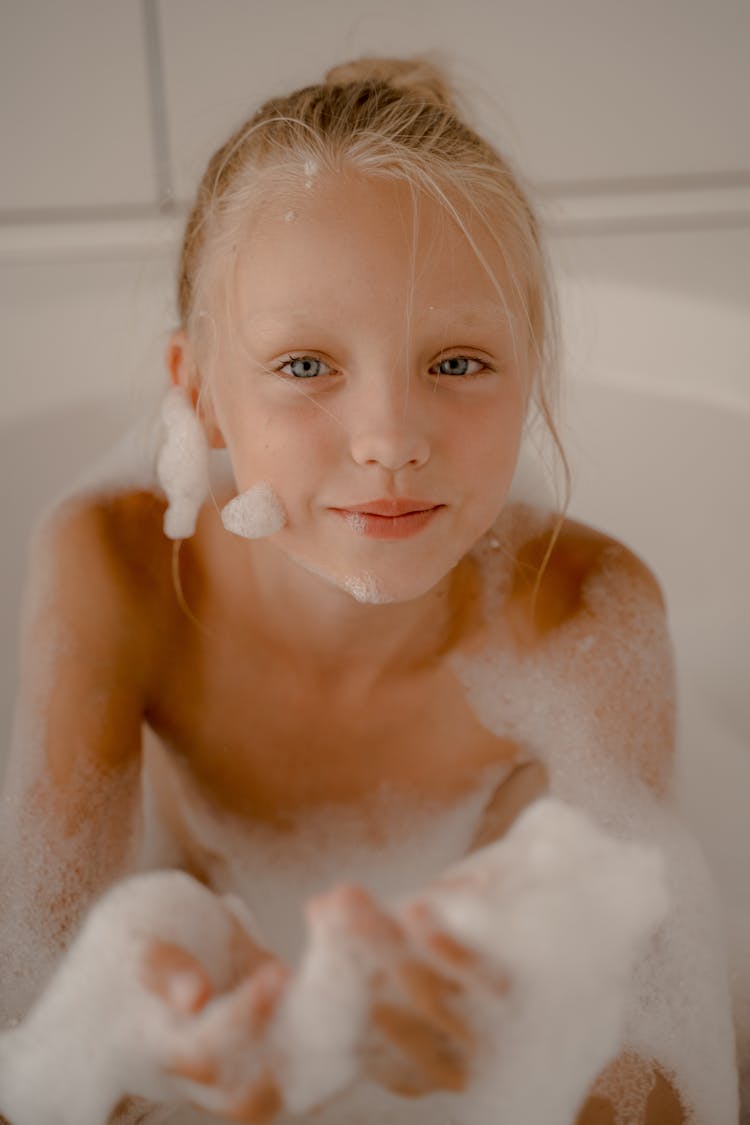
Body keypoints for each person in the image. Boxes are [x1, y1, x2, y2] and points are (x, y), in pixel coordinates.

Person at [0, 54, 738, 1125]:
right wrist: (154, 1064)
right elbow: (40, 991)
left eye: (458, 363)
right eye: (306, 365)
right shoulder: (116, 573)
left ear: (532, 371)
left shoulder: (583, 613)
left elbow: (653, 1050)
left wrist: (524, 1053)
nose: (391, 439)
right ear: (200, 394)